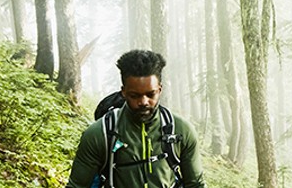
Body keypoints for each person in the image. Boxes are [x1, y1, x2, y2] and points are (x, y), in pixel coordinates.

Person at [65, 49, 205, 188]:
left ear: (160, 90)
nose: (144, 102)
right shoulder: (99, 134)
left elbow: (196, 184)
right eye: (134, 95)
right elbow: (76, 186)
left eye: (151, 94)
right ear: (123, 92)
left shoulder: (181, 131)